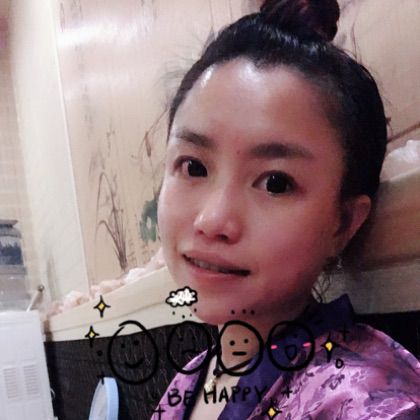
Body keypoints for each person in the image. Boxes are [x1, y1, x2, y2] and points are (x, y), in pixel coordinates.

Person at [154, 0, 420, 418]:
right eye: (194, 167)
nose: (212, 220)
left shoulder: (361, 401)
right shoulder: (189, 378)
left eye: (275, 183)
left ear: (343, 223)